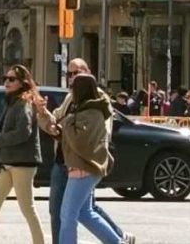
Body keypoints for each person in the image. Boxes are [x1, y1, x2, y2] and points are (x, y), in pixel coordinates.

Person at [36, 59, 133, 244]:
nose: (73, 79)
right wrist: (43, 113)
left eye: (77, 74)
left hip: (83, 164)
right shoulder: (72, 98)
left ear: (88, 73)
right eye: (70, 74)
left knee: (67, 214)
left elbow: (88, 137)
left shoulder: (96, 103)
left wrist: (64, 125)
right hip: (65, 161)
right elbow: (56, 122)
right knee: (81, 212)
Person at [0, 65, 45, 244]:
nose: (7, 82)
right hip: (7, 162)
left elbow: (24, 132)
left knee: (27, 209)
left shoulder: (24, 103)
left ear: (23, 83)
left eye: (11, 79)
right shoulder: (12, 101)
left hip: (22, 163)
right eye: (5, 79)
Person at [58, 74, 122, 244]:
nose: (71, 92)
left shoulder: (91, 112)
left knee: (67, 215)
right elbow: (71, 135)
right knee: (85, 213)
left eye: (73, 88)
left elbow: (79, 141)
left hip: (83, 168)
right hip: (84, 167)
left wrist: (66, 122)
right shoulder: (88, 110)